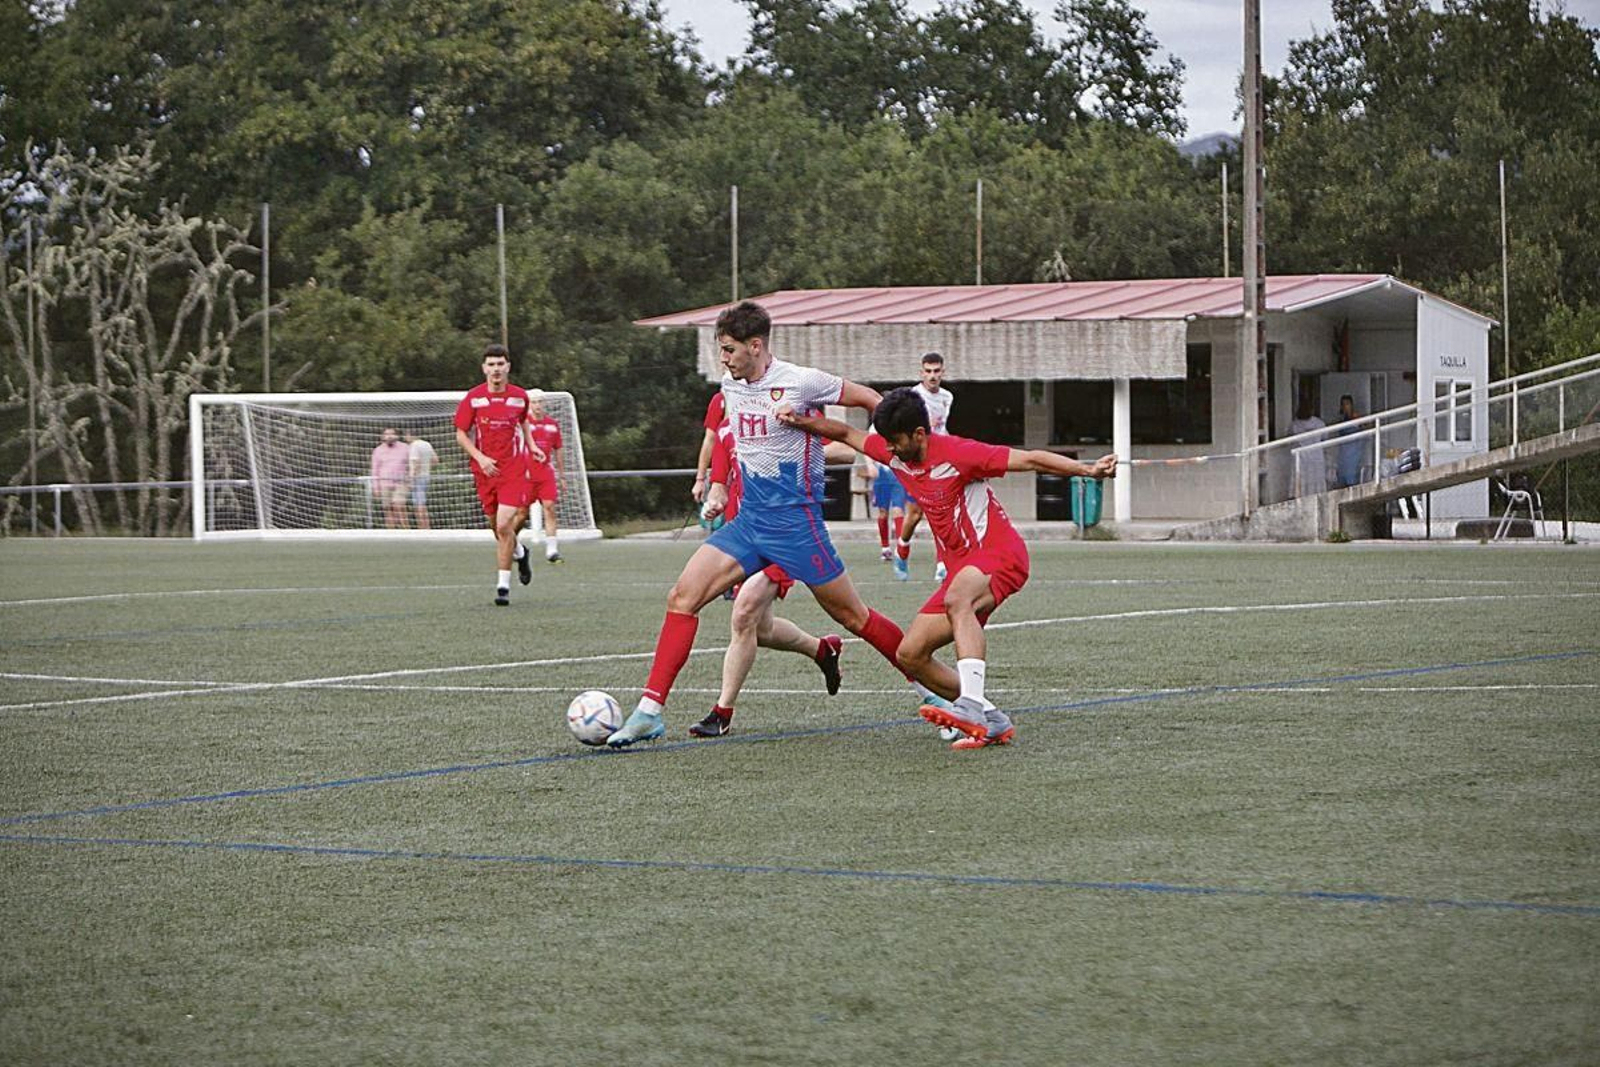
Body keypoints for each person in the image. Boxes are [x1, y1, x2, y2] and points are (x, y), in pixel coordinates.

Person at [606, 300, 954, 748]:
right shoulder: (731, 387)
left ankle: (935, 694)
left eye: (730, 349)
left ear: (756, 345)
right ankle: (650, 711)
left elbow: (870, 399)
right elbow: (730, 442)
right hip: (749, 522)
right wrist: (716, 486)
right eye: (720, 349)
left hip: (797, 526)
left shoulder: (800, 381)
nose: (723, 358)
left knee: (854, 617)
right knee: (682, 597)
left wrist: (896, 448)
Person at [781, 387, 1117, 749]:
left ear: (920, 434)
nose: (888, 450)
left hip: (999, 554)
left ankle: (970, 706)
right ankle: (990, 718)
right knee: (910, 655)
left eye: (895, 442)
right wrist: (799, 421)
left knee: (959, 600)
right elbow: (847, 434)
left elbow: (1031, 459)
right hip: (963, 569)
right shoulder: (894, 453)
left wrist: (1088, 470)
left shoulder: (960, 453)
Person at [688, 391, 844, 738]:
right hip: (744, 535)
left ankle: (721, 712)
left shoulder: (787, 405)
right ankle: (822, 649)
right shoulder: (725, 417)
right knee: (761, 629)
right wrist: (715, 496)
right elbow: (720, 470)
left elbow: (842, 444)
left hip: (784, 531)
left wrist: (809, 454)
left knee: (743, 615)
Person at [454, 343, 538, 606]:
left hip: (512, 470)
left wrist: (532, 445)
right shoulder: (473, 398)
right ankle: (521, 552)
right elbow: (460, 433)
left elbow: (523, 420)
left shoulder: (519, 397)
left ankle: (503, 587)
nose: (496, 369)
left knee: (503, 525)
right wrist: (480, 457)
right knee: (496, 528)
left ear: (508, 367)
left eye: (500, 364)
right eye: (491, 364)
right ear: (484, 369)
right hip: (484, 472)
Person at [895, 352, 954, 581]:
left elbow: (942, 429)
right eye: (928, 371)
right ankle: (902, 546)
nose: (933, 376)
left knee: (940, 512)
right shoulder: (913, 396)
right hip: (916, 463)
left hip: (938, 462)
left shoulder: (947, 397)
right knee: (915, 514)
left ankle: (942, 564)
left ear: (943, 372)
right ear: (921, 373)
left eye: (937, 371)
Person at [525, 391, 564, 563]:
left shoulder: (552, 425)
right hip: (525, 474)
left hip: (545, 473)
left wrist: (562, 475)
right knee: (520, 513)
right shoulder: (522, 424)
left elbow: (558, 449)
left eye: (540, 402)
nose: (537, 405)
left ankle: (552, 550)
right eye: (534, 402)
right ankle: (512, 546)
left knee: (549, 507)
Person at [869, 452, 908, 571]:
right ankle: (885, 548)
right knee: (883, 512)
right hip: (881, 474)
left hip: (898, 473)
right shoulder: (874, 432)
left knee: (898, 510)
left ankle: (899, 549)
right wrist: (870, 464)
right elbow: (867, 446)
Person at [369, 427, 411, 530]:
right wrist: (376, 487)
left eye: (392, 434)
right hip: (384, 483)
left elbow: (412, 464)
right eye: (387, 434)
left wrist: (411, 480)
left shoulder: (405, 447)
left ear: (396, 436)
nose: (389, 436)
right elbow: (375, 469)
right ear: (383, 437)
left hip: (401, 482)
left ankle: (407, 530)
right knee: (387, 508)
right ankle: (391, 532)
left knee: (399, 505)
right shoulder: (378, 450)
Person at [1287, 399, 1328, 496]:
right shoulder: (1319, 423)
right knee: (1316, 484)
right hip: (1316, 457)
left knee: (1302, 483)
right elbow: (1325, 437)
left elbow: (1290, 438)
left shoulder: (1294, 424)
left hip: (1301, 459)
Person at [404, 432, 437, 529]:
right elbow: (435, 460)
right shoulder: (427, 444)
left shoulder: (414, 445)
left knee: (419, 505)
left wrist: (411, 478)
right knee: (422, 504)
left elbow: (416, 462)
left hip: (417, 478)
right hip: (426, 476)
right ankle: (426, 527)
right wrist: (426, 468)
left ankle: (423, 528)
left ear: (410, 435)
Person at [1335, 394, 1364, 488]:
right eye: (1343, 404)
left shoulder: (1358, 418)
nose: (1345, 407)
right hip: (1343, 454)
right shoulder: (1340, 420)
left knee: (1352, 479)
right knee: (1342, 478)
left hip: (1354, 452)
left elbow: (1365, 427)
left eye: (1347, 404)